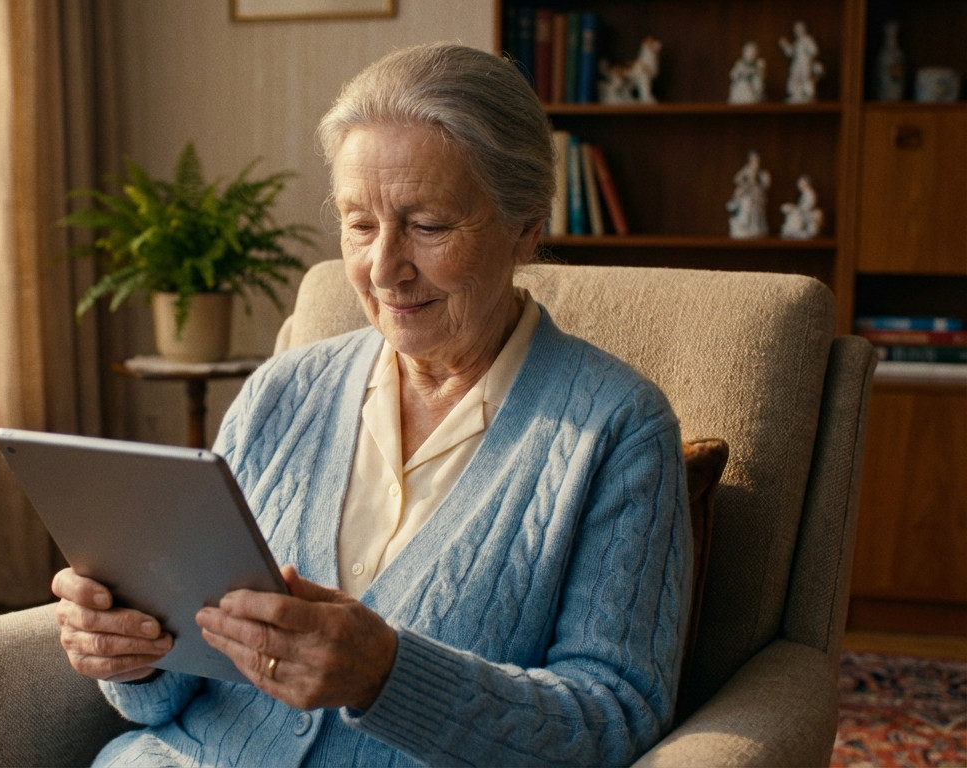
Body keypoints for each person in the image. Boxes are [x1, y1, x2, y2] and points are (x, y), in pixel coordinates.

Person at [52, 42, 692, 767]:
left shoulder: (617, 430)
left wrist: (389, 676)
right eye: (360, 224)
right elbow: (173, 687)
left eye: (429, 225)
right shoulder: (279, 393)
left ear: (526, 226)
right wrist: (129, 652)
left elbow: (617, 719)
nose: (385, 268)